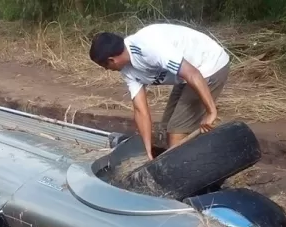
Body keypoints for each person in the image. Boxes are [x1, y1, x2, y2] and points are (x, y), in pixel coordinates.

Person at [89, 23, 230, 160]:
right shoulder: (127, 70)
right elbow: (140, 110)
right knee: (165, 128)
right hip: (185, 76)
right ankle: (187, 159)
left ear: (111, 60)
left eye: (104, 66)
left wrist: (211, 112)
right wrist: (147, 151)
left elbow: (193, 74)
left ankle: (183, 175)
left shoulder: (149, 47)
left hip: (209, 65)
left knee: (176, 132)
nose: (107, 70)